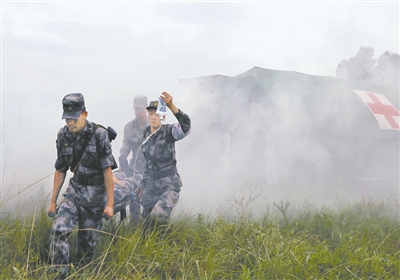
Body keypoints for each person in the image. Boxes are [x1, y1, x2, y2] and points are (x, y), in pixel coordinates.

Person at [47, 93, 116, 278]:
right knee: (59, 229)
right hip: (75, 191)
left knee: (87, 248)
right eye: (67, 118)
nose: (70, 123)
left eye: (74, 118)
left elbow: (107, 171)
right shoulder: (62, 135)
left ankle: (84, 273)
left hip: (95, 196)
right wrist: (53, 202)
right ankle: (60, 275)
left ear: (84, 113)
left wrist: (110, 204)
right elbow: (60, 168)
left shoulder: (100, 134)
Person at [136, 92, 191, 225]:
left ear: (163, 116)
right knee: (146, 220)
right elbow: (148, 164)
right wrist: (143, 185)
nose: (154, 117)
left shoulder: (169, 131)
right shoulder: (145, 135)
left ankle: (168, 242)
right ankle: (149, 245)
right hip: (152, 184)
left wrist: (172, 106)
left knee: (159, 215)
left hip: (170, 185)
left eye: (157, 114)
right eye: (151, 113)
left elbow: (186, 127)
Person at [118, 95, 148, 223]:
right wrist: (123, 166)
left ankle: (149, 229)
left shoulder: (154, 126)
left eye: (141, 108)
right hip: (134, 169)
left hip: (150, 170)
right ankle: (134, 229)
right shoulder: (129, 127)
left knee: (149, 204)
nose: (139, 111)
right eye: (136, 108)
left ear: (146, 109)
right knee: (134, 200)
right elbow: (124, 150)